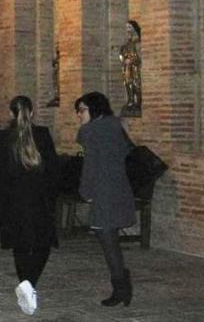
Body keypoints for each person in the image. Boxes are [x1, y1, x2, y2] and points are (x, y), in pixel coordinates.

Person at [0, 96, 60, 315]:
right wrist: (51, 196)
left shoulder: (1, 138)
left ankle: (26, 283)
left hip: (13, 202)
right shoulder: (42, 135)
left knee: (20, 245)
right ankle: (30, 283)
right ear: (33, 113)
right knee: (41, 244)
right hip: (38, 200)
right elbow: (53, 171)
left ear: (11, 114)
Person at [75, 91, 135, 307]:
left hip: (103, 191)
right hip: (120, 187)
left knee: (107, 240)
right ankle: (121, 283)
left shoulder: (91, 131)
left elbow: (89, 166)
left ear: (94, 109)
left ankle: (121, 287)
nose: (79, 115)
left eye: (82, 110)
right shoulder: (117, 125)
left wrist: (85, 191)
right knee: (111, 239)